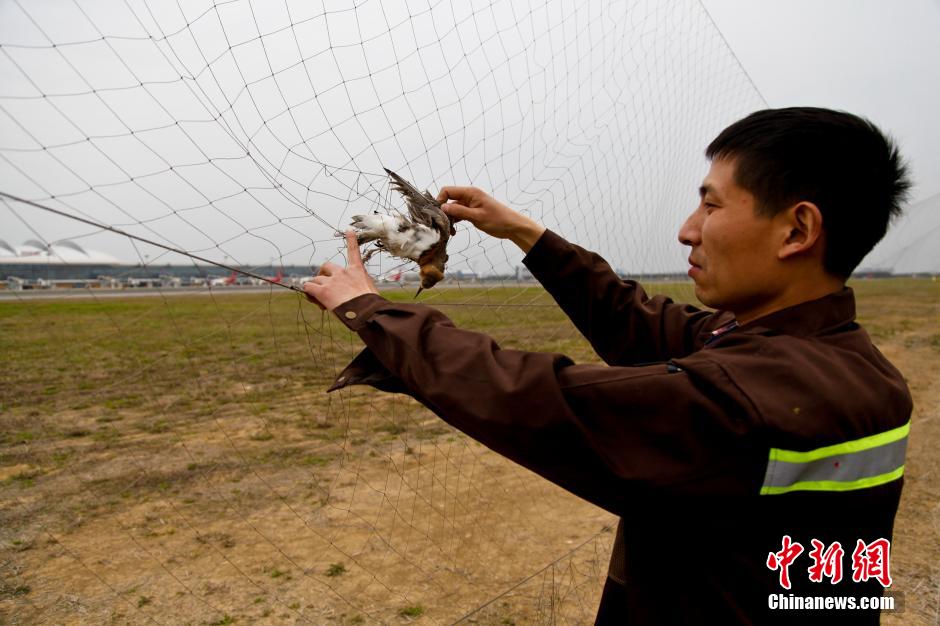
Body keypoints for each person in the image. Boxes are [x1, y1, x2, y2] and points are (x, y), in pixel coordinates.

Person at [303, 107, 912, 624]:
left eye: (711, 205)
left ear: (797, 230)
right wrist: (524, 232)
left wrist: (374, 313)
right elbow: (640, 322)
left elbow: (537, 398)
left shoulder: (745, 397)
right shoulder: (851, 368)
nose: (687, 231)